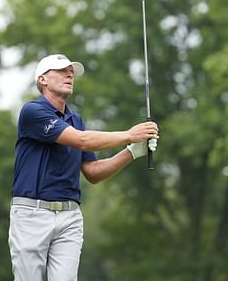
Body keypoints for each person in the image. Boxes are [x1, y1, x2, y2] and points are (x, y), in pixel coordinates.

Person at [8, 53, 159, 281]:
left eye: (71, 72)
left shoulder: (76, 120)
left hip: (70, 217)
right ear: (42, 80)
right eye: (61, 71)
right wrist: (129, 135)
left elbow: (93, 172)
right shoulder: (32, 112)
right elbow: (82, 141)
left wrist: (132, 152)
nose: (69, 75)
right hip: (32, 213)